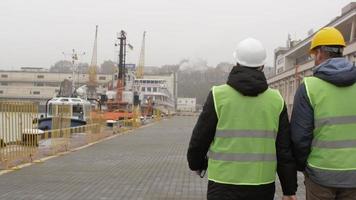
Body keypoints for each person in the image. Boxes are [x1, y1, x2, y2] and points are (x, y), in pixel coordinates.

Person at [187, 38, 297, 200]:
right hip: (262, 186)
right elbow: (284, 150)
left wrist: (196, 164)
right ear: (262, 66)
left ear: (236, 62)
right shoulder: (276, 100)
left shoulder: (218, 95)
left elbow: (200, 137)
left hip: (222, 184)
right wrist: (289, 189)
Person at [290, 27, 356, 200]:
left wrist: (304, 166)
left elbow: (299, 137)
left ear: (319, 53)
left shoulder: (309, 87)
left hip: (320, 175)